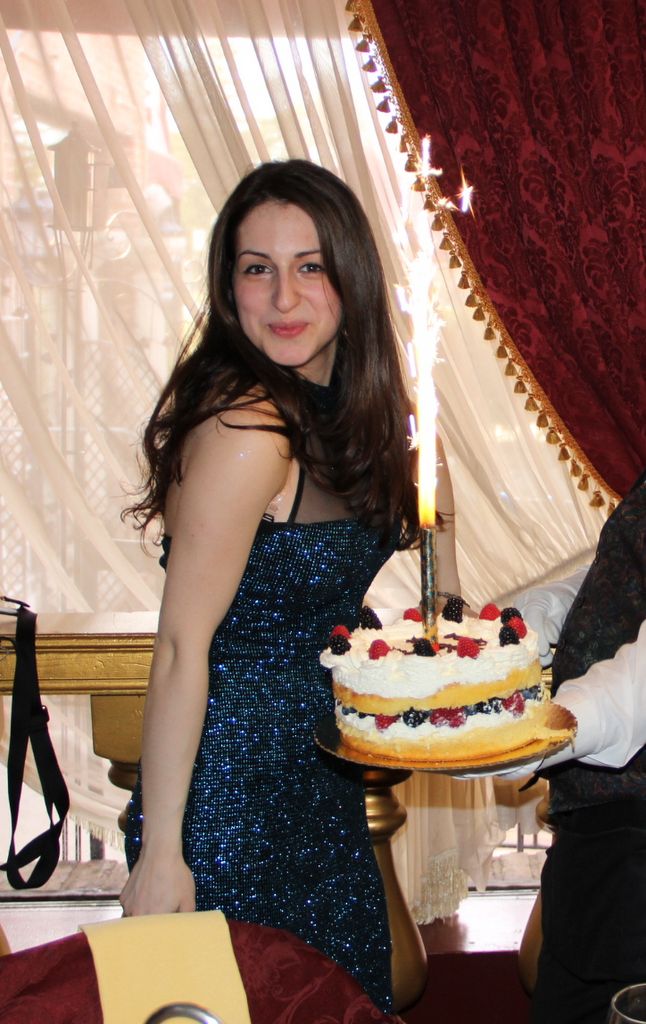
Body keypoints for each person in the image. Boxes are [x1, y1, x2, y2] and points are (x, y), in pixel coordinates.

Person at [119, 158, 460, 1012]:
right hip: (225, 800)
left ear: (350, 277)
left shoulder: (364, 414)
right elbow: (180, 647)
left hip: (319, 785)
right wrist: (163, 853)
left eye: (310, 266)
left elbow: (438, 593)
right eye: (256, 268)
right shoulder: (248, 427)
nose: (283, 298)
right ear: (227, 286)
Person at [514, 467, 646, 1024]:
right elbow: (628, 564)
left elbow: (633, 694)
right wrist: (555, 603)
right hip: (596, 836)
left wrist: (515, 737)